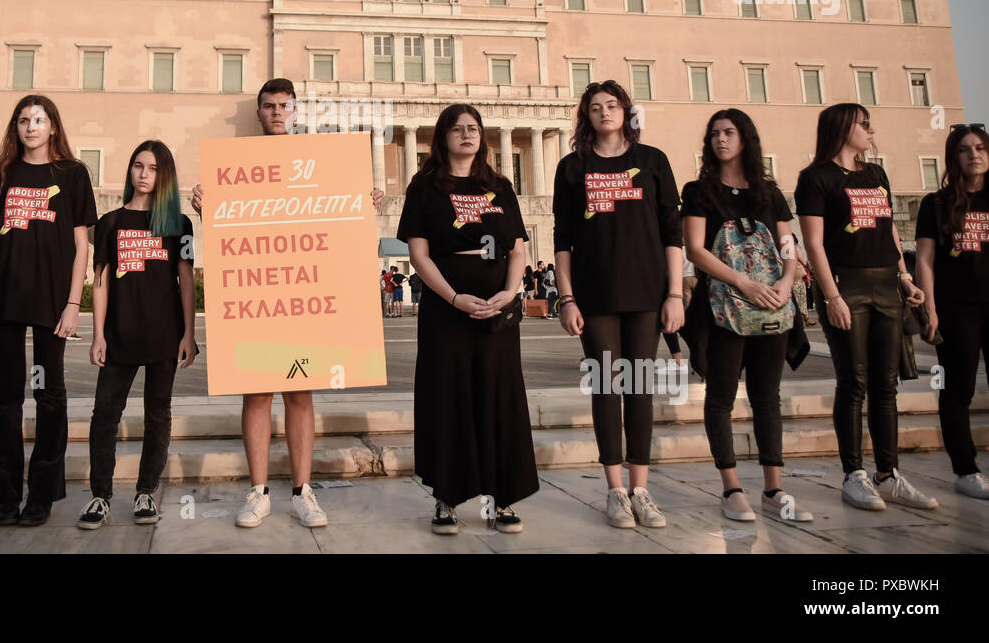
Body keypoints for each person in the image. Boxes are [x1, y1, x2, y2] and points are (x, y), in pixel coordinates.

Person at [190, 78, 383, 529]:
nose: (277, 113)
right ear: (259, 113)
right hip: (260, 295)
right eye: (269, 106)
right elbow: (231, 224)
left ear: (296, 112)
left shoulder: (320, 162)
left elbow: (334, 221)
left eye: (284, 106)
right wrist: (206, 207)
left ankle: (301, 490)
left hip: (302, 297)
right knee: (256, 390)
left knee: (300, 391)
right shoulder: (238, 164)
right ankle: (258, 492)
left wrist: (365, 201)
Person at [397, 103, 538, 535]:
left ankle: (502, 497)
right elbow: (418, 255)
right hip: (447, 305)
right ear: (442, 137)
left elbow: (518, 249)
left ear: (483, 136)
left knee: (500, 395)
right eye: (456, 129)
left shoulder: (500, 187)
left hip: (497, 303)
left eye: (473, 128)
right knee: (448, 397)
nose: (466, 134)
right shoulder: (424, 187)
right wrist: (455, 298)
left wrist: (510, 292)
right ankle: (446, 497)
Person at [553, 80, 683, 529]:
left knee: (640, 388)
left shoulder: (653, 161)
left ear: (626, 112)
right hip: (594, 294)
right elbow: (563, 239)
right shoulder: (573, 167)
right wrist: (566, 298)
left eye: (612, 105)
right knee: (607, 387)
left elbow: (672, 232)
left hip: (648, 292)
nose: (604, 112)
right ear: (586, 118)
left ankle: (641, 489)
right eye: (595, 108)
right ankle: (614, 490)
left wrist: (675, 293)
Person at [795, 103, 935, 511]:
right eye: (863, 124)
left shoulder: (876, 175)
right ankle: (853, 474)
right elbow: (814, 243)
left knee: (885, 385)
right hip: (845, 285)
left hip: (885, 284)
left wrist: (905, 277)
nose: (871, 130)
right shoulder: (815, 178)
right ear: (842, 129)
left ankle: (888, 475)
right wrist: (831, 296)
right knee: (853, 382)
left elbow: (889, 227)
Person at [682, 109, 812, 524]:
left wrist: (786, 280)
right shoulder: (698, 190)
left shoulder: (769, 193)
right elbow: (696, 250)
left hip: (772, 302)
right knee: (720, 396)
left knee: (767, 396)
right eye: (715, 134)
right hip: (724, 306)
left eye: (729, 132)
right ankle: (731, 488)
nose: (721, 140)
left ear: (746, 139)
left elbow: (788, 244)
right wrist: (743, 282)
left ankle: (774, 488)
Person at [0, 95, 97, 526]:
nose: (31, 127)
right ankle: (6, 495)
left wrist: (71, 305)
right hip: (6, 299)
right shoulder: (3, 174)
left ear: (52, 127)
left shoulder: (72, 174)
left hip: (50, 303)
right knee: (7, 397)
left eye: (39, 120)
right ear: (16, 127)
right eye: (24, 120)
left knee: (48, 395)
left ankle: (42, 495)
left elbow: (82, 244)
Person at [79, 140, 197, 529]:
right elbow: (100, 282)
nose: (144, 174)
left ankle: (146, 491)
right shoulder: (109, 222)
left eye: (153, 168)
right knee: (104, 416)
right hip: (119, 335)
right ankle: (100, 496)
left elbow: (185, 280)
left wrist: (189, 334)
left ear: (165, 175)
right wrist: (97, 334)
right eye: (138, 166)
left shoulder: (179, 224)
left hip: (164, 334)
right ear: (130, 171)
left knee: (157, 415)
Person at [914, 122, 989, 499]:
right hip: (958, 307)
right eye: (965, 149)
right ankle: (965, 469)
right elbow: (925, 259)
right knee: (957, 389)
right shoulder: (936, 203)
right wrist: (930, 307)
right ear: (953, 157)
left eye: (980, 148)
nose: (974, 155)